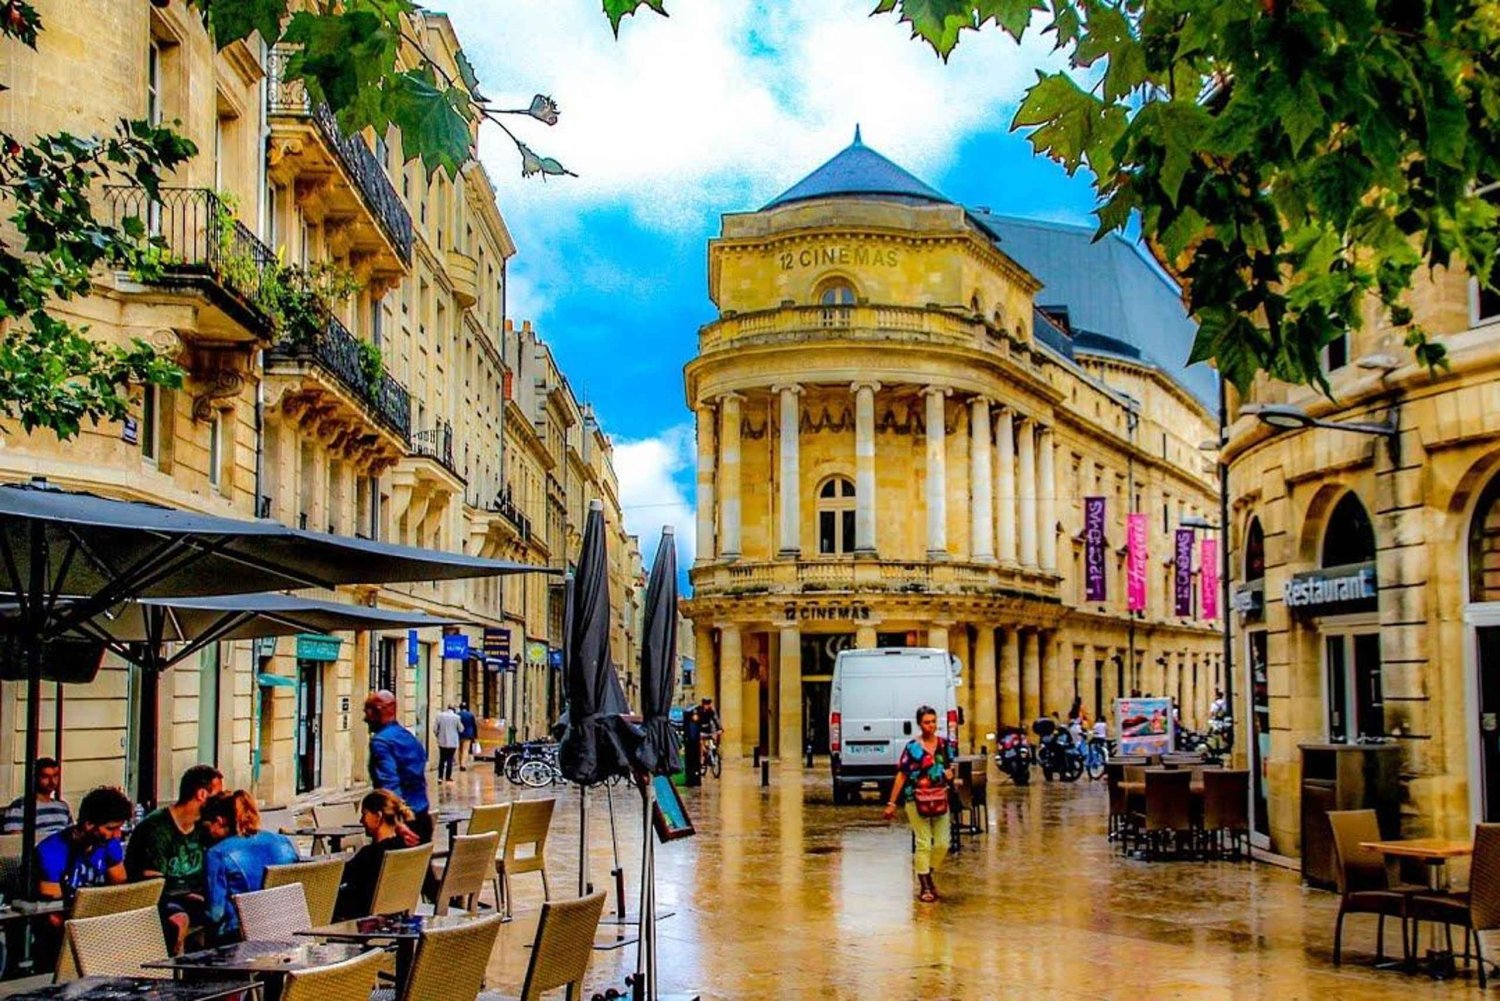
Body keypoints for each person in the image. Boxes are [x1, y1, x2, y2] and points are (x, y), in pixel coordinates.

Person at [124, 764, 223, 954]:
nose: (219, 802)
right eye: (216, 795)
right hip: (160, 899)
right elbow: (152, 882)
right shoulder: (156, 828)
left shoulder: (204, 828)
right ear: (202, 794)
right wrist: (189, 894)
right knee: (178, 919)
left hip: (197, 897)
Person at [882, 705, 956, 904]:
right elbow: (902, 775)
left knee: (942, 843)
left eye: (933, 721)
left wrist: (950, 775)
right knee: (924, 841)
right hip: (915, 798)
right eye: (926, 722)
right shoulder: (912, 747)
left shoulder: (945, 744)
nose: (931, 726)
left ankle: (926, 872)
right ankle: (924, 885)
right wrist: (891, 802)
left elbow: (949, 768)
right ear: (919, 724)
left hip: (940, 797)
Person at [201, 790, 298, 942]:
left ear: (219, 821)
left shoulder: (217, 854)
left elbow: (215, 914)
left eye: (205, 825)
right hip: (288, 929)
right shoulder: (283, 842)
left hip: (240, 939)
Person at [34, 785, 131, 904]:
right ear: (88, 824)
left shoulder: (109, 844)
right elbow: (52, 913)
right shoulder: (51, 852)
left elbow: (121, 892)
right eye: (110, 829)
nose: (117, 835)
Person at [333, 789, 413, 920]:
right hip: (394, 918)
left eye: (364, 814)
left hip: (359, 920)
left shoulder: (371, 854)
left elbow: (338, 877)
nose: (361, 821)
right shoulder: (405, 848)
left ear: (378, 816)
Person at [364, 690, 432, 843]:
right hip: (422, 815)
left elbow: (389, 785)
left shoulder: (381, 742)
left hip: (401, 825)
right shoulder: (408, 737)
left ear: (378, 711)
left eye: (367, 711)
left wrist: (397, 823)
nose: (365, 718)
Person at [3, 756, 72, 840]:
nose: (52, 781)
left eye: (55, 776)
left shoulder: (63, 807)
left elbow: (72, 834)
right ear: (35, 778)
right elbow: (14, 841)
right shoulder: (19, 807)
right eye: (45, 777)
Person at [434, 704, 462, 783]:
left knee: (442, 759)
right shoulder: (457, 717)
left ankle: (440, 777)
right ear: (454, 709)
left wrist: (438, 735)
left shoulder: (439, 716)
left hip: (442, 741)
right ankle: (448, 777)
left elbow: (435, 729)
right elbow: (461, 729)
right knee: (450, 759)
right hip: (453, 742)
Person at [698, 697, 722, 767]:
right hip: (700, 729)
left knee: (714, 737)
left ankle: (714, 753)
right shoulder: (699, 710)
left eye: (709, 704)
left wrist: (720, 728)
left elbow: (716, 719)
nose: (707, 706)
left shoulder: (711, 710)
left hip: (708, 728)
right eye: (706, 704)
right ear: (703, 704)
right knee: (700, 742)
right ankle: (701, 758)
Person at [458, 703, 479, 770]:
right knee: (465, 749)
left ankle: (460, 763)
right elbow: (474, 725)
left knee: (460, 749)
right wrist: (475, 735)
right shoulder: (470, 715)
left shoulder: (457, 714)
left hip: (459, 733)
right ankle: (463, 765)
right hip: (468, 734)